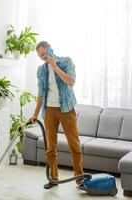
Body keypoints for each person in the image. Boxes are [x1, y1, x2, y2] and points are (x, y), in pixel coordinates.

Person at [30, 41, 84, 189]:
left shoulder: (66, 62)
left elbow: (71, 81)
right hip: (49, 111)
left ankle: (80, 179)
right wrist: (35, 115)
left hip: (66, 109)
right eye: (39, 55)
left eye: (43, 53)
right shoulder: (41, 70)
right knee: (50, 147)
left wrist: (55, 67)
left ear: (50, 50)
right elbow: (41, 94)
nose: (42, 57)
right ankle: (54, 178)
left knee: (75, 146)